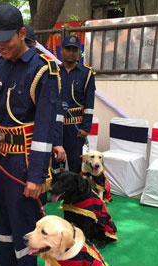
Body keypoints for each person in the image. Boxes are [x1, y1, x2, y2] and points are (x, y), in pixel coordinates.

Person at [0, 4, 65, 266]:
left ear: (22, 33)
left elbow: (44, 129)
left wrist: (35, 177)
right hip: (0, 158)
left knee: (25, 223)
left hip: (23, 163)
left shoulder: (44, 70)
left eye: (6, 40)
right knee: (0, 215)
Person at [58, 35, 96, 173]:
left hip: (76, 128)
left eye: (74, 50)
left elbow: (89, 103)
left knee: (74, 162)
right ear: (61, 50)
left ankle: (73, 193)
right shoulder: (54, 72)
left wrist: (86, 127)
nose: (70, 52)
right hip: (56, 126)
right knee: (55, 161)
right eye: (67, 49)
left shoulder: (86, 73)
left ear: (78, 52)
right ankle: (56, 192)